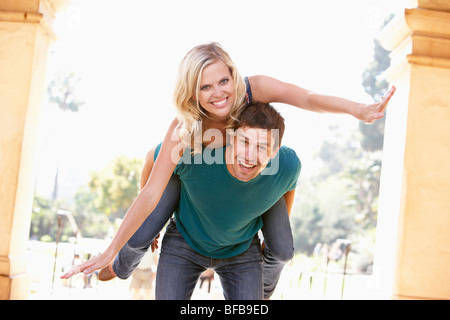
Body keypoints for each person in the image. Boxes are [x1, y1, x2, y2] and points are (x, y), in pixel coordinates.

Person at [61, 42, 395, 294]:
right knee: (142, 231)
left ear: (233, 74)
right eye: (205, 87)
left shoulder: (253, 90)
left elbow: (305, 97)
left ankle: (260, 286)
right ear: (192, 91)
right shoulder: (187, 127)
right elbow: (150, 180)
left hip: (252, 179)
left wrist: (357, 110)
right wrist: (111, 249)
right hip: (191, 182)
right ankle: (120, 266)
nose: (219, 93)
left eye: (223, 80)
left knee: (282, 247)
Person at [155, 101, 301, 299]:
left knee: (283, 251)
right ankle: (120, 264)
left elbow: (288, 187)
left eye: (261, 146)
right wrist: (147, 220)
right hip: (186, 237)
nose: (249, 156)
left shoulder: (287, 163)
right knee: (137, 239)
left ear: (274, 150)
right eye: (245, 142)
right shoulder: (195, 150)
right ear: (231, 138)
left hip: (241, 247)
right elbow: (151, 158)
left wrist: (275, 232)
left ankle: (263, 292)